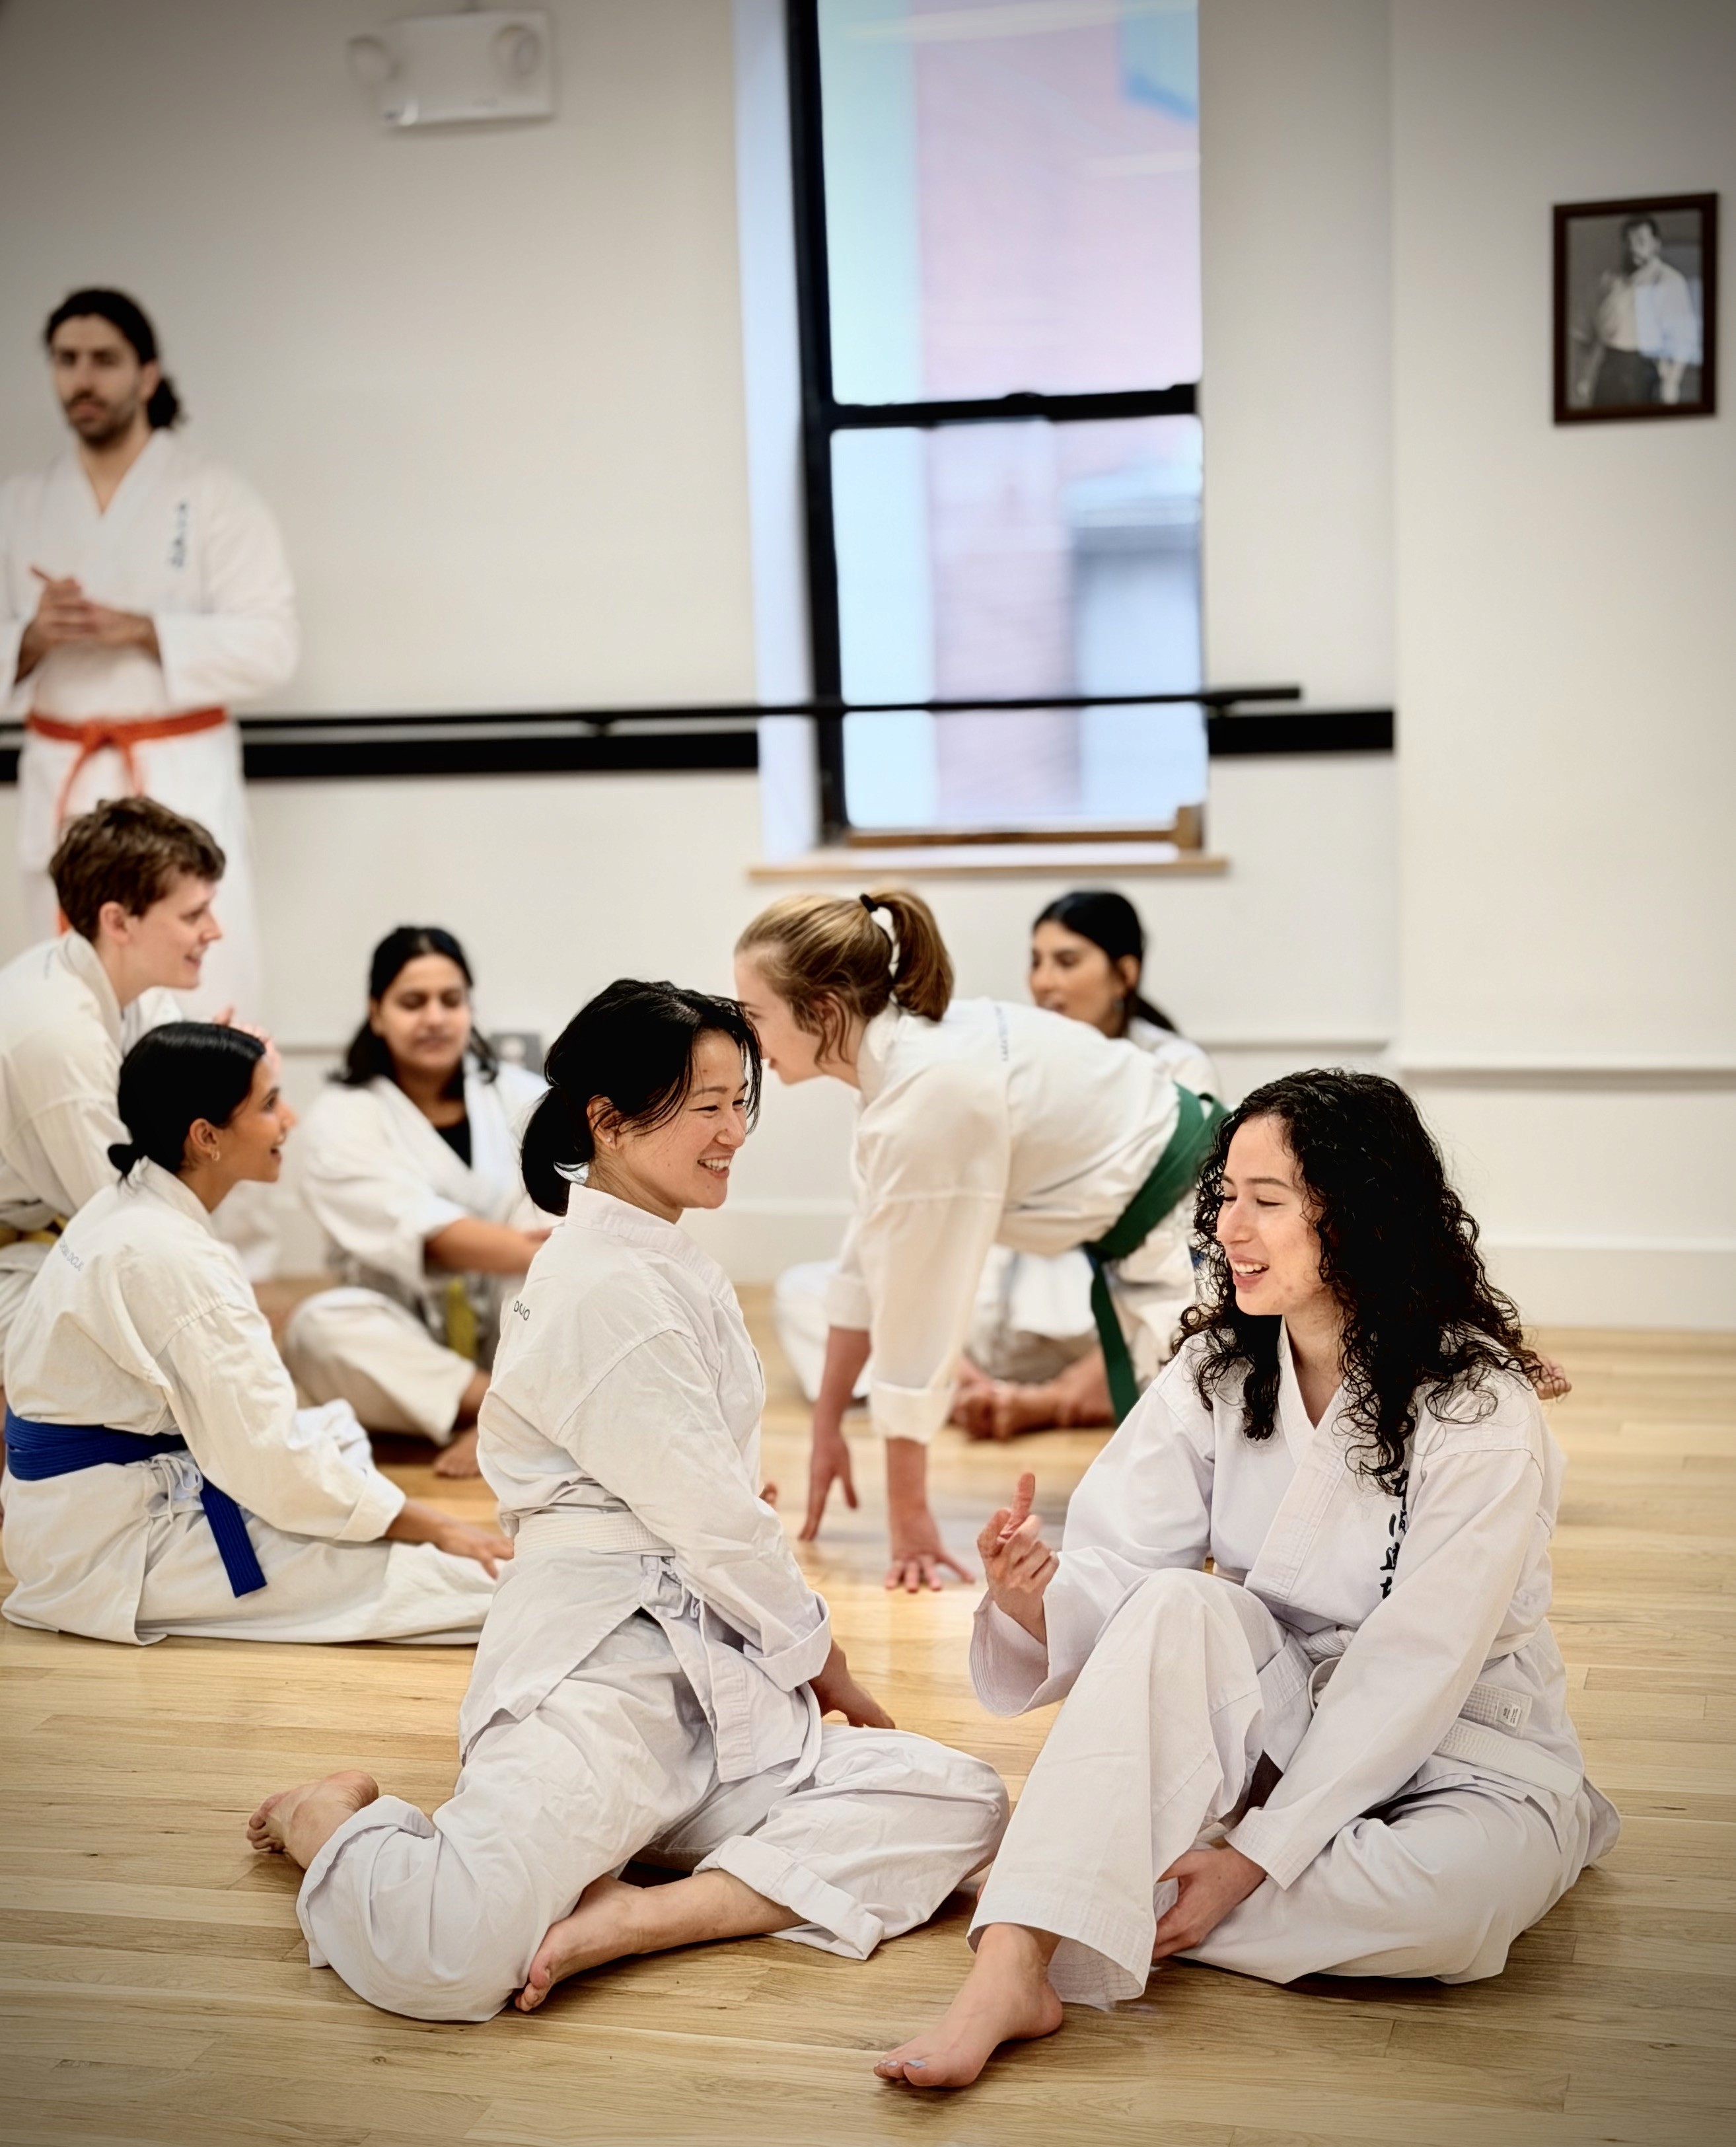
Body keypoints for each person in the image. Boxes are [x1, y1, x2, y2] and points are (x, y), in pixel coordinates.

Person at [245, 980, 1007, 2023]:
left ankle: (638, 1915)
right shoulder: (604, 1281)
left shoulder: (667, 1257)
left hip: (718, 1678)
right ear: (607, 1119)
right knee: (448, 1956)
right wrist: (832, 1672)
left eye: (742, 1100)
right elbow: (719, 1524)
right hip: (602, 1676)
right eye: (707, 1106)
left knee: (959, 1796)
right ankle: (326, 1824)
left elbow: (701, 1488)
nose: (735, 1131)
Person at [875, 1070, 1618, 2091]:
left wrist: (1248, 1859)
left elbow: (1420, 1661)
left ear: (1358, 1215)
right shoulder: (1220, 1371)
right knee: (1180, 1603)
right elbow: (1128, 1569)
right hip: (1280, 1717)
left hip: (1466, 1743)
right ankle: (1012, 1964)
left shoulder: (1479, 1406)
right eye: (1225, 1196)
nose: (1231, 1225)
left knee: (1450, 1912)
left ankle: (1076, 1880)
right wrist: (1032, 1595)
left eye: (1267, 1200)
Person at [735, 891, 1220, 1593]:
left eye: (755, 1017)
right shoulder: (896, 1072)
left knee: (1204, 1497)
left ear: (824, 1012)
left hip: (1199, 1218)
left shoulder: (924, 1094)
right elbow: (864, 1265)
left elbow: (913, 1317)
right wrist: (827, 1426)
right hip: (1141, 1233)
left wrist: (909, 1520)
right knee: (1165, 1498)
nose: (748, 1040)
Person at [1, 1023, 507, 1644]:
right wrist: (435, 1527)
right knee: (457, 1579)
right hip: (119, 1544)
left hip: (65, 1514)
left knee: (334, 1432)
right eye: (269, 1104)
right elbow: (270, 1461)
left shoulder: (126, 1205)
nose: (288, 1119)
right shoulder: (170, 1256)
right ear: (206, 1137)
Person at [1, 289, 298, 1019]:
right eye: (67, 361)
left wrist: (144, 630)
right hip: (66, 780)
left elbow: (273, 647)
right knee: (64, 994)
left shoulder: (213, 497)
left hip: (177, 774)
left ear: (148, 374)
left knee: (203, 983)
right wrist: (33, 638)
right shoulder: (20, 505)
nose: (84, 379)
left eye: (104, 360)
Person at [281, 928, 546, 1478]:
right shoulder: (340, 1117)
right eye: (412, 1003)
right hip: (407, 1340)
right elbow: (432, 1237)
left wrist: (550, 1248)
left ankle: (527, 1403)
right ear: (376, 1013)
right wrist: (543, 1252)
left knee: (553, 1201)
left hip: (519, 1325)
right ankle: (515, 1411)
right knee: (317, 1328)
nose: (434, 1018)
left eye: (451, 1001)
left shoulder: (523, 1097)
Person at [0, 797, 226, 1418]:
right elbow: (127, 1222)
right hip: (22, 1252)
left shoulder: (137, 995)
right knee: (152, 1378)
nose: (215, 930)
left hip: (52, 1232)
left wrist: (225, 1088)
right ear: (119, 921)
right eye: (195, 913)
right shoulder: (56, 1035)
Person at [1573, 213, 1702, 408]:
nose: (1633, 247)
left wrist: (1672, 381)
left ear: (1655, 244)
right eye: (1628, 241)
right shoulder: (1607, 281)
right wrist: (1584, 376)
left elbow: (1683, 339)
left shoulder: (1669, 281)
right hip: (1610, 366)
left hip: (1649, 368)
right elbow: (1585, 335)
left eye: (1641, 241)